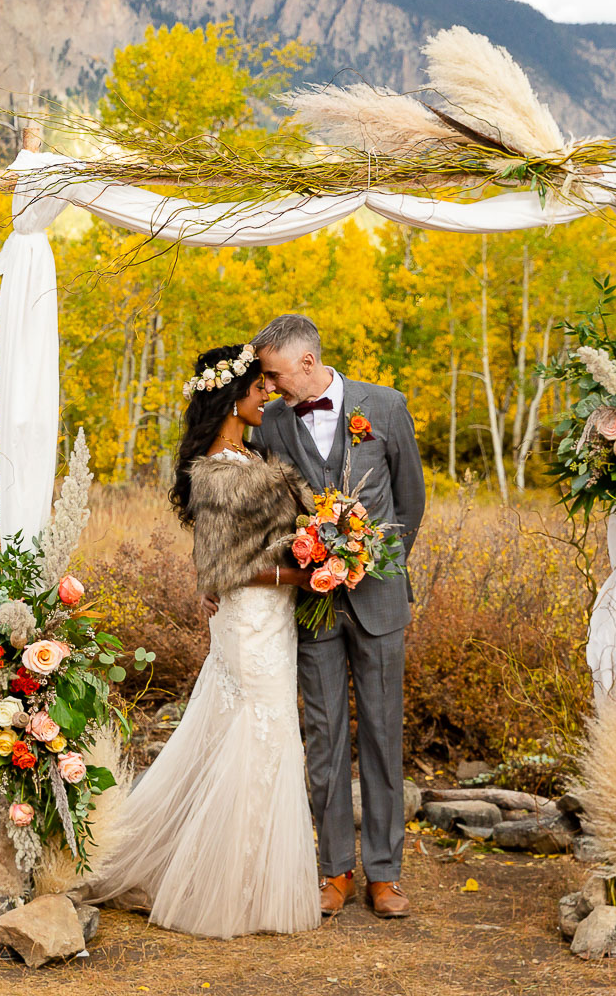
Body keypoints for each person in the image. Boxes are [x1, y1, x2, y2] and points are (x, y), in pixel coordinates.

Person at [82, 342, 323, 938]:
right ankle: (231, 889)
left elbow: (223, 555)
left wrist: (322, 546)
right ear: (232, 398)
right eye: (259, 388)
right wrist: (309, 574)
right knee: (257, 737)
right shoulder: (217, 471)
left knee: (249, 735)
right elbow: (226, 567)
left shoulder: (251, 457)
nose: (268, 394)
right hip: (250, 621)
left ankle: (247, 877)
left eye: (270, 386)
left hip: (271, 619)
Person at [251, 313, 425, 921]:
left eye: (274, 374)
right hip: (310, 603)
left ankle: (385, 875)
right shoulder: (270, 424)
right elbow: (269, 508)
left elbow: (411, 499)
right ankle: (336, 871)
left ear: (305, 361)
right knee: (323, 739)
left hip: (378, 600)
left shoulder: (386, 406)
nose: (269, 388)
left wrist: (374, 560)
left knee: (381, 736)